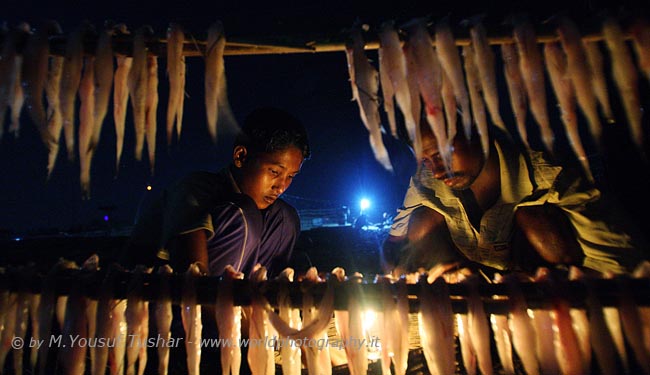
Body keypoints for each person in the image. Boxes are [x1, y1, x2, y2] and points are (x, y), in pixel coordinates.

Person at [382, 122, 647, 276]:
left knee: (533, 215)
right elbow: (395, 242)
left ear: (477, 131)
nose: (437, 170)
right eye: (426, 160)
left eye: (442, 153)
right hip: (472, 275)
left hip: (540, 280)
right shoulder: (426, 180)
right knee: (421, 217)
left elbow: (616, 251)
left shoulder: (545, 172)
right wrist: (400, 270)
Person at [124, 107, 310, 277]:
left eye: (291, 176)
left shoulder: (275, 217)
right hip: (161, 292)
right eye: (275, 172)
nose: (281, 186)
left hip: (231, 291)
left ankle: (256, 306)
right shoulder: (196, 189)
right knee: (244, 214)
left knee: (285, 217)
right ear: (241, 156)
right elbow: (193, 273)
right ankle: (223, 310)